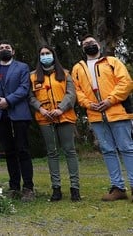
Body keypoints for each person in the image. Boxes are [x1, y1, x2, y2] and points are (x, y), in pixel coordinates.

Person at [71, 34, 133, 201]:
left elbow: (125, 83)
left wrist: (110, 100)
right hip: (96, 116)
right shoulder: (78, 68)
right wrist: (89, 104)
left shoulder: (113, 62)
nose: (89, 45)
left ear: (98, 45)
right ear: (82, 48)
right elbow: (77, 91)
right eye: (85, 44)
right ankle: (118, 188)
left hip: (118, 112)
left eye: (92, 42)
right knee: (107, 150)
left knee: (127, 148)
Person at [0, 40, 35, 202]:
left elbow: (24, 88)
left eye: (7, 47)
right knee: (9, 151)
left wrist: (9, 100)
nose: (4, 49)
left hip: (19, 113)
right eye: (1, 48)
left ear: (13, 51)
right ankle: (14, 187)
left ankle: (28, 187)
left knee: (23, 150)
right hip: (0, 114)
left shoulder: (22, 67)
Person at [29, 45, 80, 201]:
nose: (45, 56)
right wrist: (41, 110)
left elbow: (71, 95)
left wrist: (60, 109)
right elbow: (30, 97)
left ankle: (75, 188)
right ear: (39, 57)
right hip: (45, 118)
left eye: (48, 53)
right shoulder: (32, 76)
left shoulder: (65, 74)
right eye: (42, 54)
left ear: (53, 55)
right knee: (52, 153)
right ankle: (56, 188)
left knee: (69, 151)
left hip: (64, 116)